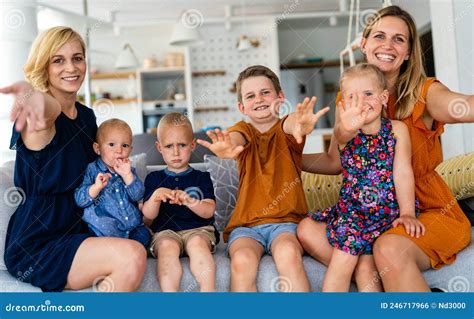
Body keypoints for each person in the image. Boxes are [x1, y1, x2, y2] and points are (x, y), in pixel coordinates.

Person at [298, 5, 473, 292]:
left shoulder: (424, 93)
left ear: (407, 52)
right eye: (379, 36)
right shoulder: (351, 96)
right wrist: (290, 157)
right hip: (368, 211)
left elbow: (463, 106)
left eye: (399, 39)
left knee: (388, 247)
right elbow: (336, 161)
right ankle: (381, 284)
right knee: (306, 230)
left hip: (424, 209)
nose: (388, 45)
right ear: (364, 44)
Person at [0, 27, 146, 292]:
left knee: (141, 245)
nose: (71, 67)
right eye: (58, 60)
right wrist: (32, 96)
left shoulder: (88, 117)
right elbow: (47, 111)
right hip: (41, 239)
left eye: (77, 58)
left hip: (85, 226)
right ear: (44, 67)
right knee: (132, 255)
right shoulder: (39, 116)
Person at [197, 65, 330, 292]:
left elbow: (292, 124)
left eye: (265, 92)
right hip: (246, 227)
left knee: (288, 254)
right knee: (242, 261)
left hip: (287, 224)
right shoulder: (244, 130)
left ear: (280, 97)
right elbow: (236, 138)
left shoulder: (287, 130)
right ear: (242, 107)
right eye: (250, 95)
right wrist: (228, 145)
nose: (259, 99)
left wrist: (301, 123)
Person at [309, 63, 425, 292]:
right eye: (352, 97)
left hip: (387, 216)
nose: (360, 102)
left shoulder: (398, 129)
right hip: (353, 215)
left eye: (368, 94)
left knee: (367, 273)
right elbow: (341, 136)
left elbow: (402, 172)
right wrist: (347, 126)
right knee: (343, 261)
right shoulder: (345, 132)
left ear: (383, 97)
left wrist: (408, 213)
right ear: (343, 105)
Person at [142, 113, 218, 292]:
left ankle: (209, 292)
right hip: (165, 233)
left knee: (198, 243)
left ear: (192, 145)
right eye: (169, 146)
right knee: (167, 248)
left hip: (199, 231)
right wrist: (155, 198)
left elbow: (208, 212)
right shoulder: (154, 179)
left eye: (182, 145)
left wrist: (189, 200)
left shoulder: (202, 177)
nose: (175, 152)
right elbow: (147, 219)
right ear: (159, 147)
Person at [74, 119, 150, 248]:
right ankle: (116, 252)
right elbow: (80, 200)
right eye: (111, 144)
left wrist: (127, 176)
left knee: (144, 236)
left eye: (124, 145)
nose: (119, 150)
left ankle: (127, 250)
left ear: (131, 149)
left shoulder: (129, 170)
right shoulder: (92, 170)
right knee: (90, 238)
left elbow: (138, 195)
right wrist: (96, 187)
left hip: (131, 229)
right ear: (97, 148)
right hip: (103, 231)